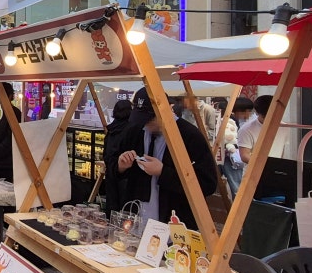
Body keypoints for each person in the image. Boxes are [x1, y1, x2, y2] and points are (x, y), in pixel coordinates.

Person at [116, 88, 218, 230]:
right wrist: (121, 165)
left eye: (150, 119)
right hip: (137, 217)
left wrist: (163, 172)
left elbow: (207, 183)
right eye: (141, 119)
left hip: (175, 221)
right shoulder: (135, 131)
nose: (146, 124)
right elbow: (115, 165)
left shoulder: (189, 136)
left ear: (165, 111)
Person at [238, 95, 292, 164]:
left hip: (276, 168)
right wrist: (264, 165)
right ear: (257, 113)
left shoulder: (284, 127)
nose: (270, 119)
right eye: (265, 117)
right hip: (255, 169)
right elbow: (244, 155)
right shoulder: (246, 129)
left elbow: (281, 150)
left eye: (273, 115)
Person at [104, 99, 132, 216]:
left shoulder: (111, 129)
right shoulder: (130, 129)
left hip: (110, 172)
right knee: (125, 212)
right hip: (126, 177)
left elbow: (106, 153)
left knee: (112, 209)